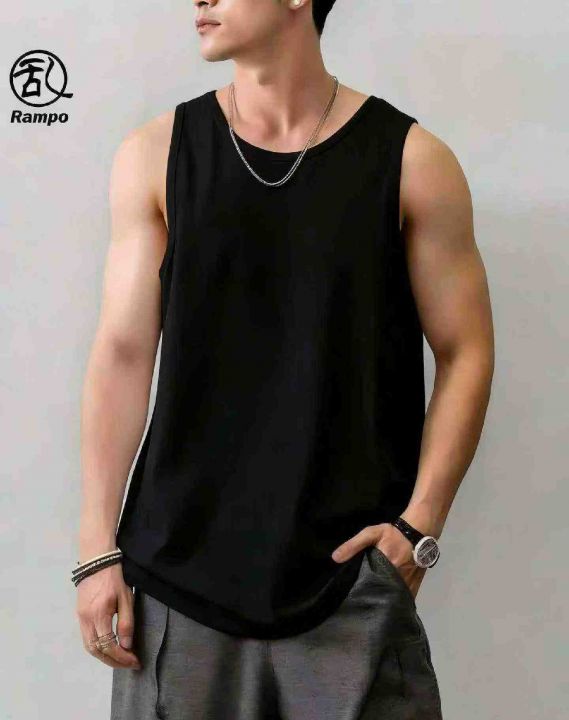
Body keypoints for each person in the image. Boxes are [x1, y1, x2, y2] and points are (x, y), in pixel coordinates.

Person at [74, 0, 495, 718]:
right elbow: (121, 353)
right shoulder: (155, 154)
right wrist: (95, 548)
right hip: (176, 582)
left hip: (349, 582)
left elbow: (466, 350)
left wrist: (417, 529)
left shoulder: (413, 161)